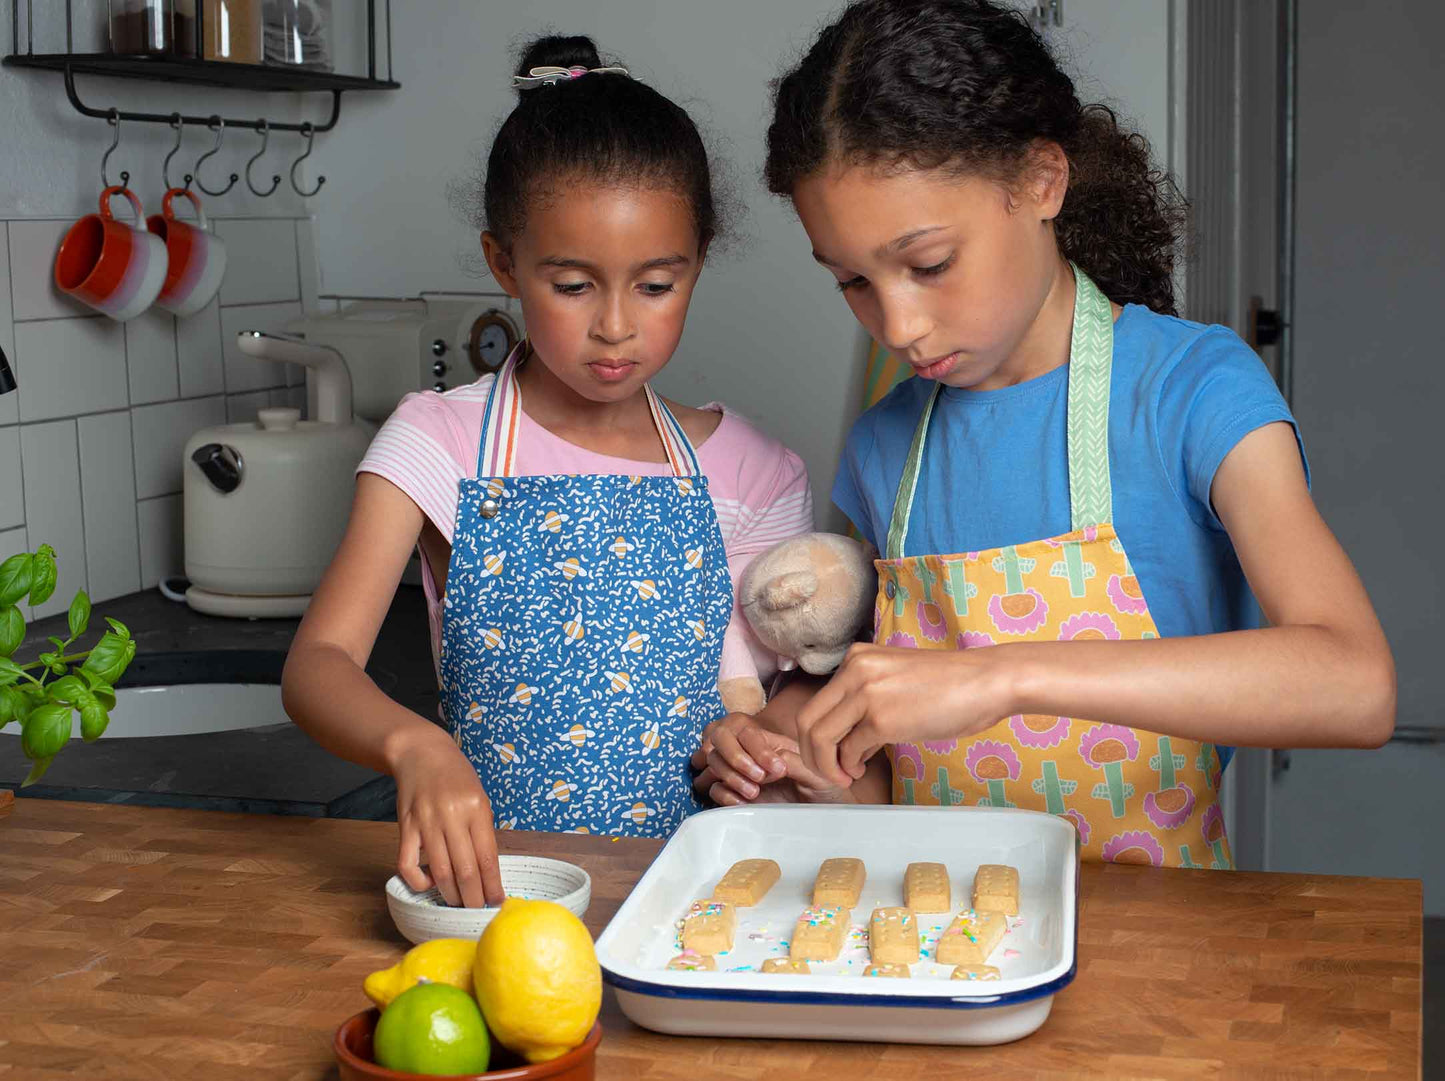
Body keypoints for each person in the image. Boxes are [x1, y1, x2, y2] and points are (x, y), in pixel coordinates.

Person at [697, 0, 1394, 869]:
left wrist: (1004, 673)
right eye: (851, 281)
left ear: (1040, 181)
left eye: (928, 264)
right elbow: (894, 771)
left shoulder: (1191, 391)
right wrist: (805, 763)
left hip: (1162, 951)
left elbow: (1354, 684)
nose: (898, 325)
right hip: (943, 950)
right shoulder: (886, 446)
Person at [284, 35, 812, 905]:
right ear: (505, 263)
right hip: (500, 897)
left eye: (654, 286)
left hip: (695, 900)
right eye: (572, 285)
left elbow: (767, 693)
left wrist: (749, 741)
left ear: (697, 264)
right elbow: (319, 664)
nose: (615, 327)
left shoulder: (751, 469)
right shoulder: (435, 443)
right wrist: (415, 745)